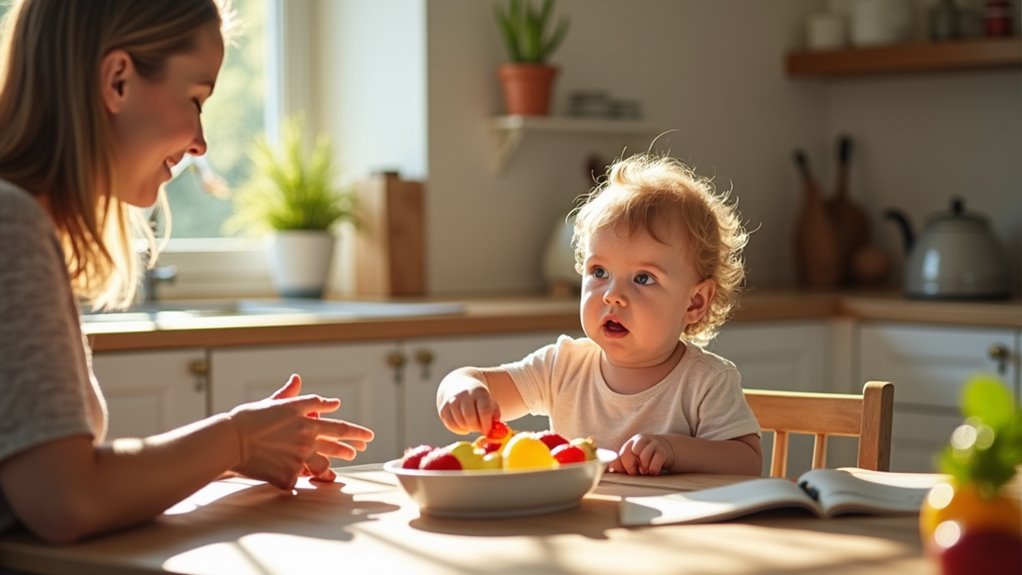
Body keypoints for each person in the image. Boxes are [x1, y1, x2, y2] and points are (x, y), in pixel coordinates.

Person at [0, 0, 374, 544]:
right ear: (118, 80)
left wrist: (238, 448)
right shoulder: (11, 225)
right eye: (195, 99)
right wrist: (235, 439)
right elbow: (68, 500)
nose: (200, 142)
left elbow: (56, 474)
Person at [437, 152, 762, 476]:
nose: (613, 295)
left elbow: (746, 460)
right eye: (599, 272)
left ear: (694, 303)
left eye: (643, 278)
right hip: (583, 525)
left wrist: (673, 449)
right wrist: (462, 391)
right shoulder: (562, 367)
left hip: (672, 526)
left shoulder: (706, 380)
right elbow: (474, 379)